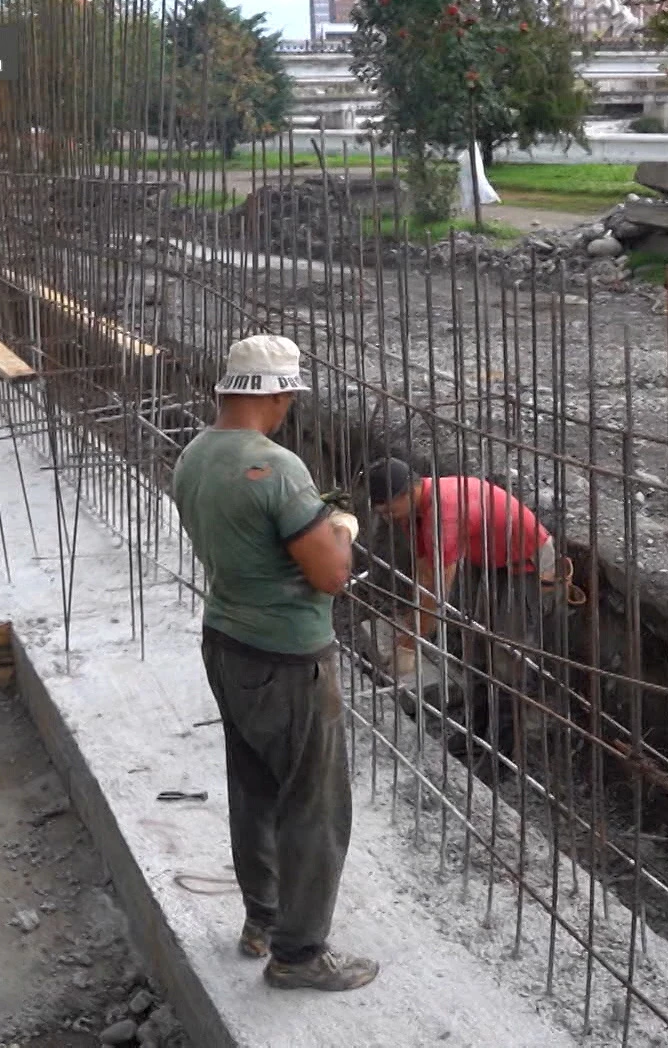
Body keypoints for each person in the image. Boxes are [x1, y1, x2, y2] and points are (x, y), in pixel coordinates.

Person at [170, 334, 378, 993]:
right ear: (280, 396)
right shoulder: (276, 467)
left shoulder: (195, 455)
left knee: (254, 786)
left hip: (226, 640)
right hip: (289, 658)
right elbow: (332, 575)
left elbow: (247, 546)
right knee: (314, 805)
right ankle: (300, 952)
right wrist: (340, 526)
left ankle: (261, 921)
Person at [363, 457, 567, 754]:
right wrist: (411, 622)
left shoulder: (443, 514)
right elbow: (424, 571)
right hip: (488, 555)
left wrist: (410, 643)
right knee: (479, 649)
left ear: (407, 492)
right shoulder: (410, 513)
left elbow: (438, 590)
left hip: (526, 559)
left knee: (508, 656)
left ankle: (503, 752)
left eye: (390, 509)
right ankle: (478, 734)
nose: (388, 517)